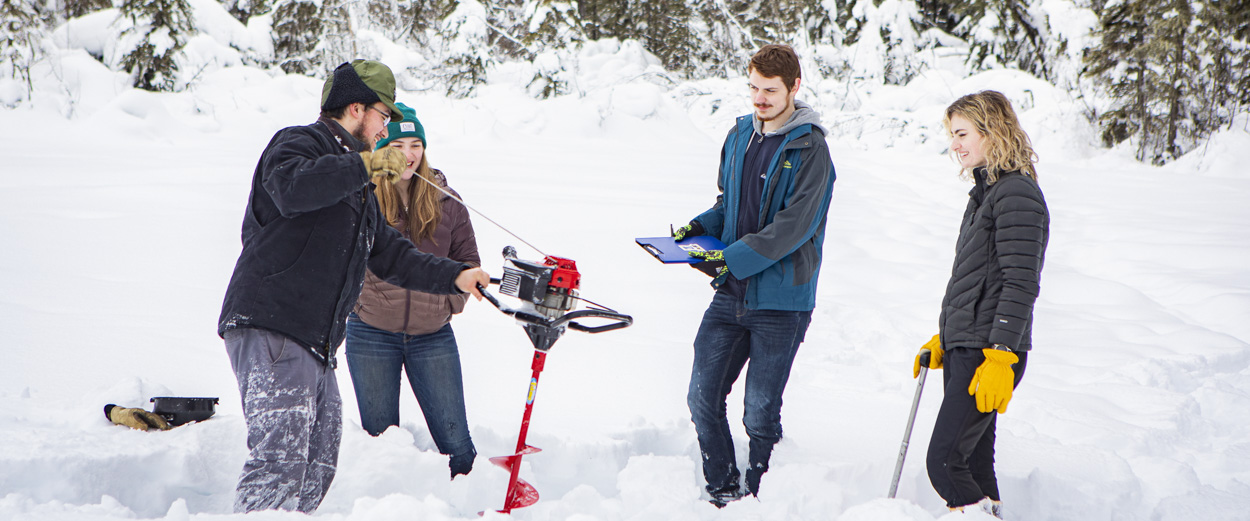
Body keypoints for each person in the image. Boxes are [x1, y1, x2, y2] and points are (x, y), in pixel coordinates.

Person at [217, 60, 491, 514]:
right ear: (357, 108)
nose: (386, 129)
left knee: (318, 464)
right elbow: (292, 188)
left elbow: (390, 254)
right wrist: (366, 165)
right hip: (273, 324)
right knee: (280, 463)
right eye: (384, 117)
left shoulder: (358, 183)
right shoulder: (299, 143)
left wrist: (454, 275)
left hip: (317, 342)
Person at [671, 44, 836, 506]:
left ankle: (763, 496)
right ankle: (723, 488)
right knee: (702, 398)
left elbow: (794, 226)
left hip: (781, 301)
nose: (759, 99)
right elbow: (730, 203)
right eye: (754, 88)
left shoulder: (811, 149)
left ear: (794, 88)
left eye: (770, 90)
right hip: (731, 293)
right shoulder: (741, 134)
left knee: (760, 411)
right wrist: (700, 228)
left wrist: (734, 258)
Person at [912, 90, 1049, 517]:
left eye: (962, 133)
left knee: (944, 463)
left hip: (991, 353)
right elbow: (976, 279)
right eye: (952, 135)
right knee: (972, 462)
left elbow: (1020, 282)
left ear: (993, 130)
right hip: (970, 346)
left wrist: (1002, 355)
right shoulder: (985, 192)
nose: (954, 144)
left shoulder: (1016, 195)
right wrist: (947, 337)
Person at [344, 101, 480, 479]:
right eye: (399, 147)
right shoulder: (364, 193)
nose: (408, 156)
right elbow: (342, 257)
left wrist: (446, 304)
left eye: (416, 146)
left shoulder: (446, 201)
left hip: (432, 336)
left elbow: (468, 260)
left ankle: (467, 501)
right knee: (381, 443)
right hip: (371, 333)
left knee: (457, 444)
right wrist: (355, 302)